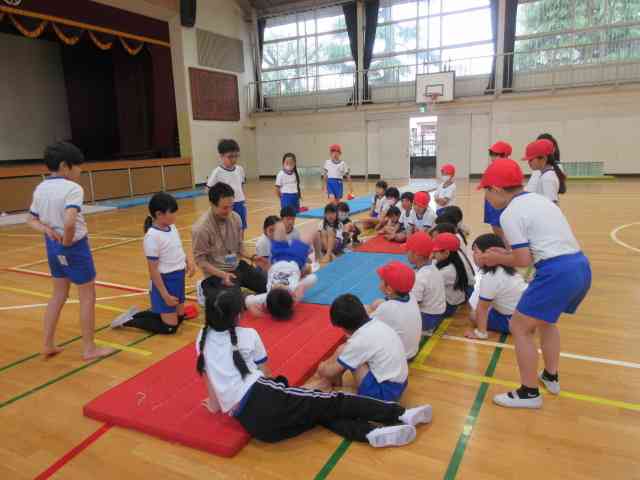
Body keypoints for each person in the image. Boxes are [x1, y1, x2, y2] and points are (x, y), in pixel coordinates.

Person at [197, 290, 433, 448]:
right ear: (238, 315)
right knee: (335, 401)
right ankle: (400, 414)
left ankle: (370, 434)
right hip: (266, 399)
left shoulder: (202, 336)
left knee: (319, 413)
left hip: (260, 430)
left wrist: (216, 404)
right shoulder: (248, 335)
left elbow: (209, 377)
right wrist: (289, 391)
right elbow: (266, 375)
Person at [478, 158, 591, 409]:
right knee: (546, 322)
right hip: (580, 266)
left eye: (486, 191)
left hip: (556, 272)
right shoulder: (539, 200)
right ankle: (551, 375)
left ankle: (529, 392)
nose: (486, 197)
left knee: (519, 326)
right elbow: (535, 247)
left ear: (496, 189)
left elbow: (522, 260)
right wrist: (505, 252)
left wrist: (496, 258)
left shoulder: (509, 213)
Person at [26, 142, 113, 360]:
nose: (80, 170)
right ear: (65, 166)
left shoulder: (41, 188)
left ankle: (47, 344)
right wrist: (66, 242)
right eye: (77, 166)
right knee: (87, 296)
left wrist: (47, 229)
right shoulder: (73, 189)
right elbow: (70, 222)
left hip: (52, 245)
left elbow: (31, 219)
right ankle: (89, 348)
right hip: (74, 247)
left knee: (58, 295)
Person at [111, 193, 196, 334]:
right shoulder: (152, 237)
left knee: (180, 317)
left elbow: (178, 247)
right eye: (172, 212)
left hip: (178, 278)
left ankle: (142, 314)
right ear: (159, 214)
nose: (175, 215)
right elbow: (153, 271)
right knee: (170, 328)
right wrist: (165, 296)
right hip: (164, 281)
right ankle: (128, 321)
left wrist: (188, 261)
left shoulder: (172, 227)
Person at [315, 294, 410, 402]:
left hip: (385, 394)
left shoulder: (359, 340)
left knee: (348, 358)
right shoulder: (377, 322)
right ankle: (334, 383)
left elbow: (330, 372)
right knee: (345, 352)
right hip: (401, 384)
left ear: (345, 329)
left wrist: (321, 368)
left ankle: (335, 387)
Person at [192, 182, 267, 302]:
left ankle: (237, 290)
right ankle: (204, 287)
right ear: (212, 204)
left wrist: (252, 257)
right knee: (232, 302)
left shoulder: (236, 218)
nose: (229, 211)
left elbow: (240, 246)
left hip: (237, 266)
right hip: (217, 273)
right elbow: (200, 261)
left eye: (231, 206)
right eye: (224, 208)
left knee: (268, 285)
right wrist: (223, 275)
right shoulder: (201, 228)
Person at [245, 222, 317, 320]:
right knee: (310, 232)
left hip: (277, 259)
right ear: (289, 294)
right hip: (295, 260)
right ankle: (316, 225)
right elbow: (313, 278)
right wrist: (301, 287)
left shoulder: (267, 298)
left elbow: (249, 300)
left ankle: (288, 231)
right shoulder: (294, 292)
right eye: (282, 287)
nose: (278, 285)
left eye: (275, 287)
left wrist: (259, 313)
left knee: (279, 226)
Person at [465, 233, 527, 340]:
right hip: (528, 315)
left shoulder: (490, 277)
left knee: (474, 315)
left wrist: (480, 333)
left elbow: (482, 308)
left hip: (517, 322)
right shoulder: (507, 267)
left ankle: (482, 332)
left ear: (488, 254)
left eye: (476, 251)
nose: (473, 255)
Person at [367, 261, 422, 360]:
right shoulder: (411, 296)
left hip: (400, 358)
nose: (379, 282)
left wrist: (367, 310)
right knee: (377, 303)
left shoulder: (387, 308)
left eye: (381, 280)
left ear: (389, 289)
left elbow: (364, 325)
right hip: (411, 350)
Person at [405, 232, 446, 335]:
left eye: (407, 251)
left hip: (427, 318)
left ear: (416, 255)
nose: (406, 253)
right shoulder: (432, 266)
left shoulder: (420, 277)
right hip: (437, 314)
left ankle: (424, 330)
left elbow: (412, 305)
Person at [206, 139, 247, 230]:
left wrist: (242, 200)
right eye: (230, 157)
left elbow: (241, 186)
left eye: (236, 156)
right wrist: (217, 205)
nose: (234, 159)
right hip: (226, 206)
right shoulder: (217, 172)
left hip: (240, 203)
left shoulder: (240, 169)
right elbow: (209, 190)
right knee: (226, 228)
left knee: (241, 227)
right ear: (221, 156)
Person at [433, 233, 471, 318]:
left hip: (449, 306)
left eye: (435, 252)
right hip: (456, 299)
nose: (433, 254)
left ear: (446, 253)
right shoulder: (454, 260)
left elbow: (429, 285)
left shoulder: (447, 271)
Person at [523, 138, 566, 204]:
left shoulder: (548, 178)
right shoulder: (545, 175)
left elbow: (552, 204)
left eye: (531, 160)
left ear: (543, 158)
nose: (528, 162)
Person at [485, 141, 512, 240]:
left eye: (495, 154)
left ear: (505, 155)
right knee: (494, 226)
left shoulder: (509, 168)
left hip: (500, 202)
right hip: (491, 201)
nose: (492, 157)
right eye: (491, 154)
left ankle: (507, 246)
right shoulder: (492, 166)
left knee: (501, 228)